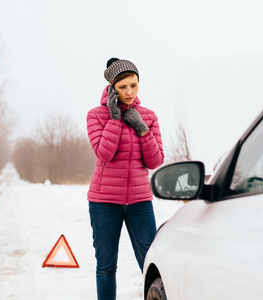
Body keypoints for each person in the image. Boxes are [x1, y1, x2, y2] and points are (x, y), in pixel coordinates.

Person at [86, 58, 165, 299]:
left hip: (140, 202)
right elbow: (104, 153)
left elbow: (155, 161)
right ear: (111, 87)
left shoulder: (148, 116)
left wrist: (142, 128)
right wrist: (115, 118)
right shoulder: (96, 116)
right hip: (104, 202)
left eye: (134, 85)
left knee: (153, 264)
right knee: (106, 267)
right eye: (122, 87)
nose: (129, 92)